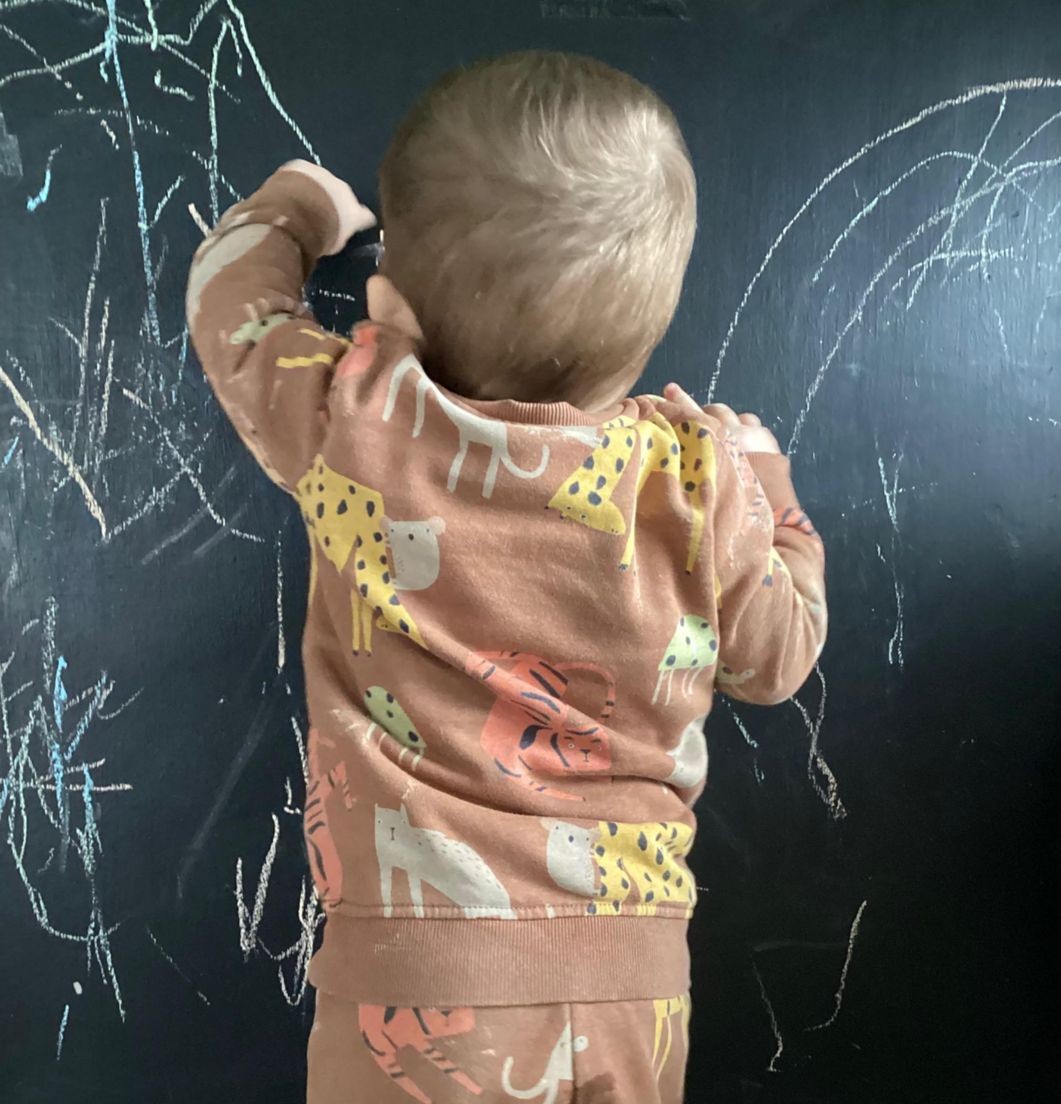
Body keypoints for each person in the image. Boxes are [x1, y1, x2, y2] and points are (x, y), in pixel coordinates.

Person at [186, 49, 826, 1104]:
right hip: (633, 986)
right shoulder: (696, 480)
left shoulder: (360, 419)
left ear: (387, 313)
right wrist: (767, 484)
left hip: (418, 990)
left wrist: (299, 209)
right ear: (647, 327)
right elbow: (778, 655)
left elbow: (231, 307)